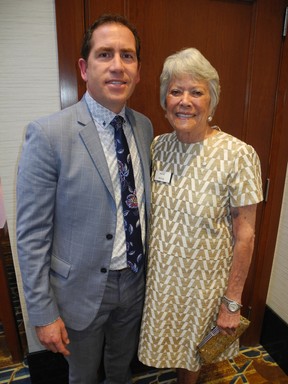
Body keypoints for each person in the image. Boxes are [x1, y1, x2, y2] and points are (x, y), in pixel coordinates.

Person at [16, 14, 153, 384]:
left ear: (138, 70)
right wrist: (43, 313)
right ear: (83, 67)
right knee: (83, 375)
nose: (117, 66)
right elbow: (31, 236)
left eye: (128, 56)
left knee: (121, 369)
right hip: (81, 289)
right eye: (105, 54)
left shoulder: (144, 126)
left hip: (135, 281)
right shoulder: (48, 134)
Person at [138, 48, 263, 383]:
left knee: (194, 361)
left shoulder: (238, 155)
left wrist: (232, 303)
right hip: (162, 282)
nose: (185, 101)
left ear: (212, 101)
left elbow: (246, 235)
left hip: (205, 287)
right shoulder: (158, 147)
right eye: (176, 91)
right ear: (165, 99)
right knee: (172, 357)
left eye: (197, 92)